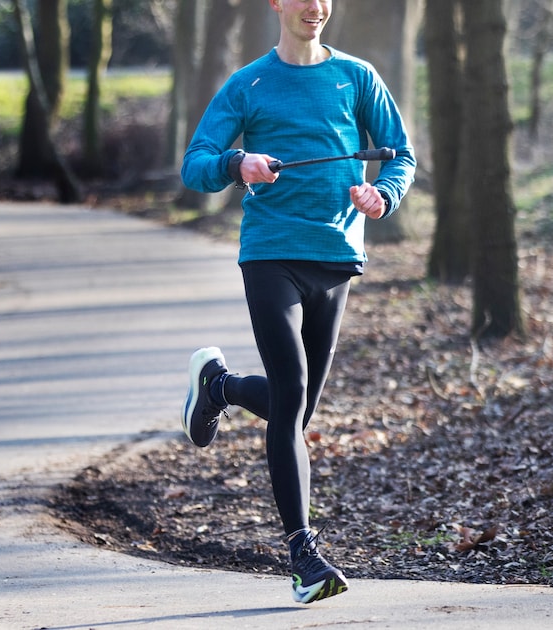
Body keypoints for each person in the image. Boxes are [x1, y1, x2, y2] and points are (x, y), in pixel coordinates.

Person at [178, 0, 415, 605]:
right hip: (270, 254)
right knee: (289, 399)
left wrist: (382, 195)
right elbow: (196, 164)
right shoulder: (249, 83)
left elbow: (400, 155)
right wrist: (239, 163)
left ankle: (221, 388)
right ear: (277, 4)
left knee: (299, 409)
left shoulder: (358, 78)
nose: (315, 6)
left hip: (335, 256)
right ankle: (303, 558)